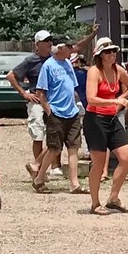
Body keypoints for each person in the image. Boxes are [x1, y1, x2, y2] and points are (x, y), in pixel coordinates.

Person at [85, 37, 128, 215]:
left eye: (113, 51)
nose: (112, 54)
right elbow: (91, 98)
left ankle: (113, 198)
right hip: (95, 119)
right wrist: (115, 100)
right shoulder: (94, 71)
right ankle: (95, 203)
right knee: (98, 164)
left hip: (112, 118)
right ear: (100, 55)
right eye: (107, 52)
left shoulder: (118, 69)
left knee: (127, 157)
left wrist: (120, 103)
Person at [31, 38, 86, 195]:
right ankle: (39, 179)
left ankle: (74, 184)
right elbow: (40, 93)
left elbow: (73, 88)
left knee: (74, 148)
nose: (72, 49)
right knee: (54, 149)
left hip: (72, 112)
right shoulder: (48, 66)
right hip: (56, 112)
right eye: (69, 46)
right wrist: (49, 112)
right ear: (60, 49)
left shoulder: (68, 64)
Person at [9, 30, 59, 179]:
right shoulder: (31, 61)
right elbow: (11, 76)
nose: (50, 43)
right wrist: (24, 94)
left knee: (55, 134)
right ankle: (37, 171)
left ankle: (51, 167)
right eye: (46, 41)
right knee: (38, 135)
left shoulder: (54, 59)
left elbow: (74, 48)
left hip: (52, 102)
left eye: (51, 40)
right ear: (37, 44)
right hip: (37, 102)